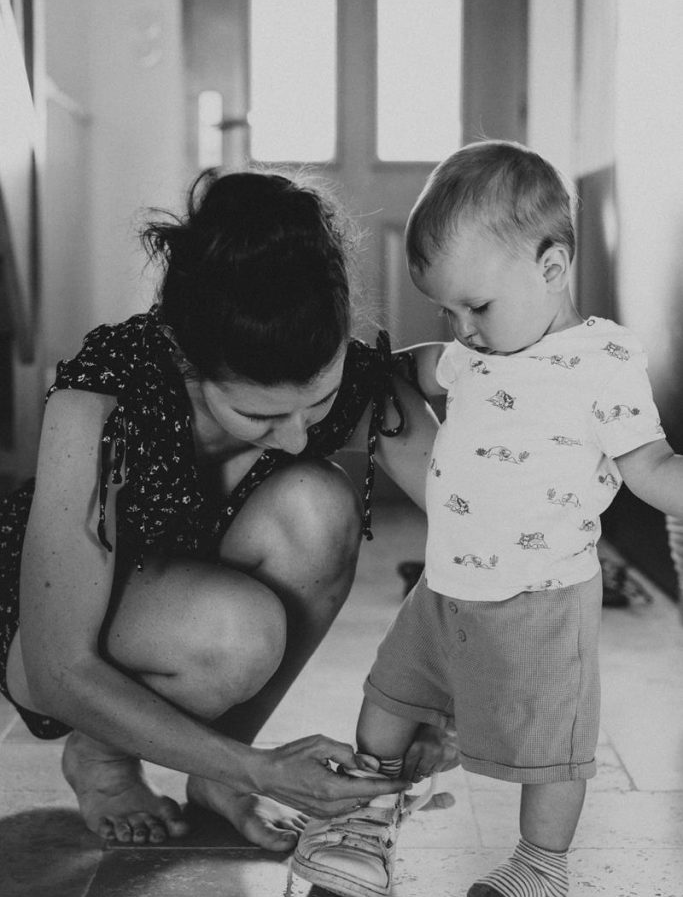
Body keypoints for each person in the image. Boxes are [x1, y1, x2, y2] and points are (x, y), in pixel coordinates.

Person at [0, 167, 441, 850]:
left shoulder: (353, 375)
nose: (297, 436)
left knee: (320, 502)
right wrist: (265, 773)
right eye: (260, 414)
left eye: (317, 403)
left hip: (198, 600)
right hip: (49, 641)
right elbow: (60, 670)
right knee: (237, 633)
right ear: (185, 357)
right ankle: (104, 754)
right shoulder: (104, 393)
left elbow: (486, 530)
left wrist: (450, 694)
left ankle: (215, 776)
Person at [293, 139, 683, 897]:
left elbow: (647, 467)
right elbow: (407, 366)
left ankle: (541, 861)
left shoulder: (601, 358)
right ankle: (367, 827)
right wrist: (349, 372)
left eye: (476, 305)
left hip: (540, 600)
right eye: (448, 309)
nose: (462, 327)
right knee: (388, 700)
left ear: (551, 266)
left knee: (550, 751)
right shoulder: (469, 354)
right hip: (444, 586)